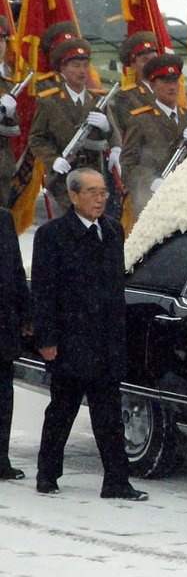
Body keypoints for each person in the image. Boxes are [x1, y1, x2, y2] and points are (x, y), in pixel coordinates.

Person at [32, 168, 147, 501]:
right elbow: (43, 291)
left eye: (103, 193)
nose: (100, 199)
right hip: (70, 341)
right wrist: (47, 339)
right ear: (73, 196)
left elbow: (115, 290)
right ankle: (47, 473)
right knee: (62, 411)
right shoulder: (53, 235)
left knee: (109, 415)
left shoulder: (112, 230)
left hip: (105, 342)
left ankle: (116, 481)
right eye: (92, 193)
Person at [28, 38, 119, 213]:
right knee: (71, 221)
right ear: (63, 68)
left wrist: (106, 128)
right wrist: (53, 159)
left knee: (92, 218)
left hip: (93, 174)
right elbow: (36, 138)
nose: (82, 71)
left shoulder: (98, 100)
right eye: (76, 66)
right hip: (63, 177)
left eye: (85, 65)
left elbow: (113, 136)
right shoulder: (49, 101)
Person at [121, 54, 187, 215]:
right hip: (153, 200)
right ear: (152, 85)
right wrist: (150, 181)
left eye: (175, 81)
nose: (172, 87)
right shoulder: (141, 119)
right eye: (165, 82)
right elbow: (128, 164)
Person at [0, 207, 30, 481]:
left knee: (3, 397)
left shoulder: (4, 219)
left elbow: (16, 270)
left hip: (3, 324)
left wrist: (26, 314)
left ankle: (1, 460)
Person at [111, 31, 159, 137]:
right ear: (133, 65)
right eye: (145, 60)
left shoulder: (170, 90)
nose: (151, 64)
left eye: (154, 59)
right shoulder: (124, 97)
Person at [0, 17, 22, 207]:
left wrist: (9, 113)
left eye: (2, 40)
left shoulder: (10, 82)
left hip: (3, 164)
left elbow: (16, 128)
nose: (0, 45)